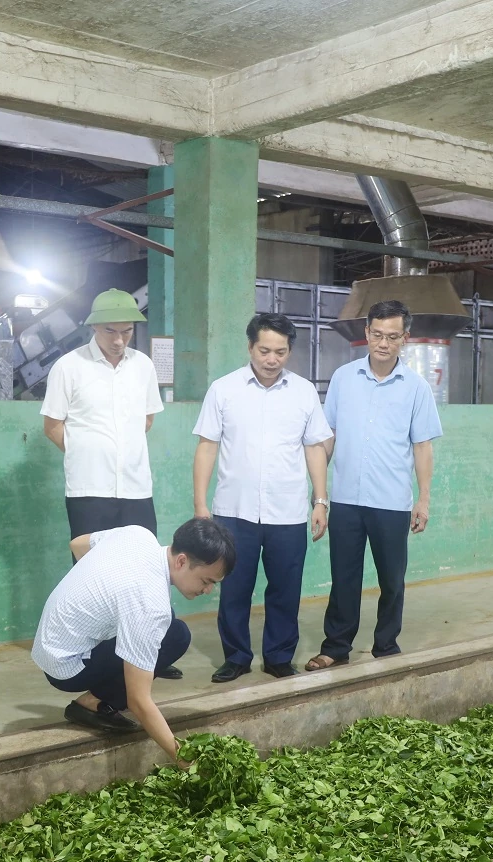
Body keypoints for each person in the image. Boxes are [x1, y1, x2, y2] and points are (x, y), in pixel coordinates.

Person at [41, 288, 178, 677]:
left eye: (127, 332)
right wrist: (86, 455)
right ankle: (96, 657)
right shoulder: (68, 367)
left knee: (146, 570)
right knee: (93, 574)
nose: (119, 340)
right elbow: (52, 425)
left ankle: (147, 654)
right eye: (110, 331)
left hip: (136, 488)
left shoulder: (143, 366)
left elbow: (146, 420)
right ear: (93, 328)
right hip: (89, 490)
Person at [192, 313, 333, 684]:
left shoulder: (303, 392)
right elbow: (207, 446)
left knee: (285, 589)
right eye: (265, 351)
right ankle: (236, 657)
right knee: (234, 588)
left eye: (280, 352)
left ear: (290, 351)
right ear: (250, 347)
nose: (272, 359)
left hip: (287, 511)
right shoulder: (224, 389)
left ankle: (279, 657)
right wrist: (200, 505)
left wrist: (320, 501)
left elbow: (315, 448)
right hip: (233, 511)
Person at [306, 299, 442, 672]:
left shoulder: (416, 388)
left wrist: (424, 500)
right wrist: (320, 497)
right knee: (343, 577)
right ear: (366, 333)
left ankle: (386, 645)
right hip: (346, 499)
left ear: (405, 338)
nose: (384, 343)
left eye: (393, 336)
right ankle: (336, 646)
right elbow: (328, 437)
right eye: (377, 334)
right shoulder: (343, 378)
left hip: (392, 502)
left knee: (392, 580)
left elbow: (423, 447)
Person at [32, 518, 236, 764]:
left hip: (49, 642)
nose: (208, 591)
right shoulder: (150, 604)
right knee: (176, 635)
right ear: (181, 561)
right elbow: (138, 701)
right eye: (206, 581)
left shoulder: (138, 535)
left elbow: (77, 544)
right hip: (66, 668)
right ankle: (91, 703)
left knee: (165, 621)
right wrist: (184, 760)